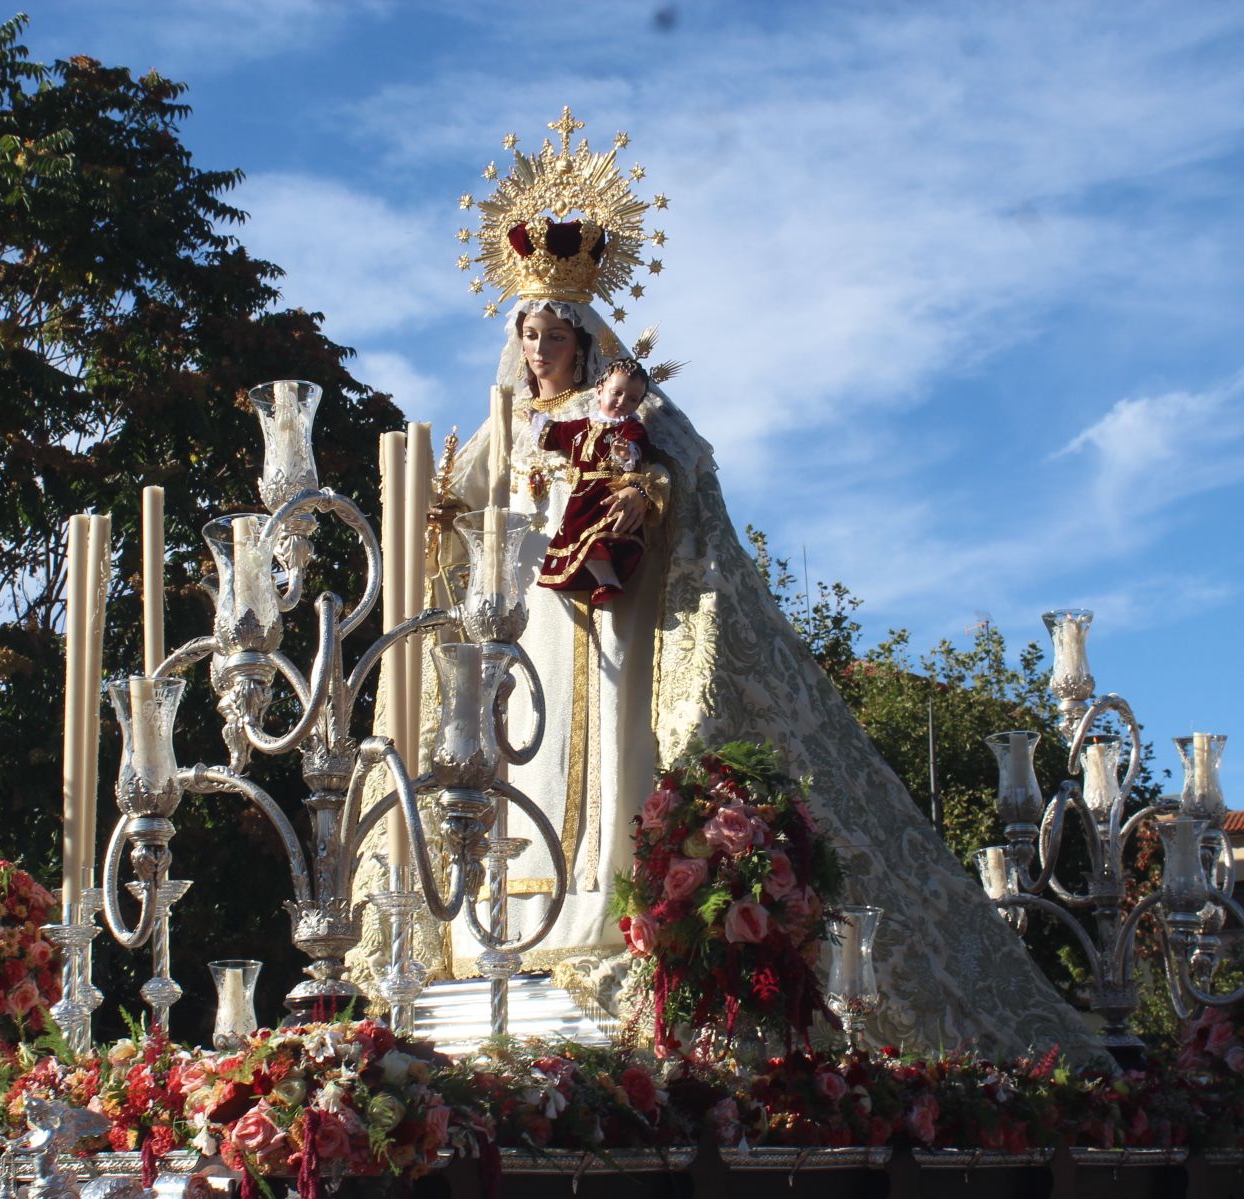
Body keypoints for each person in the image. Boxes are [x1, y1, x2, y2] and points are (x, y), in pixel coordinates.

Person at [349, 115, 1100, 1060]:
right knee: (505, 759)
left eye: (551, 333)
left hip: (602, 614)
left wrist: (634, 477)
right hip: (518, 623)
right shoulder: (504, 423)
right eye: (525, 332)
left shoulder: (624, 402)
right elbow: (449, 511)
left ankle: (592, 907)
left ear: (583, 335)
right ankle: (497, 916)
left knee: (599, 752)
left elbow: (683, 473)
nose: (536, 349)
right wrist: (430, 518)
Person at [533, 358, 658, 606]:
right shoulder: (582, 426)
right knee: (577, 537)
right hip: (582, 495)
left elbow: (637, 451)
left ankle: (608, 580)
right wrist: (534, 419)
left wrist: (626, 453)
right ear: (600, 389)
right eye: (617, 393)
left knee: (601, 536)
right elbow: (555, 434)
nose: (622, 402)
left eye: (632, 399)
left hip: (608, 491)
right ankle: (606, 580)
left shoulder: (631, 429)